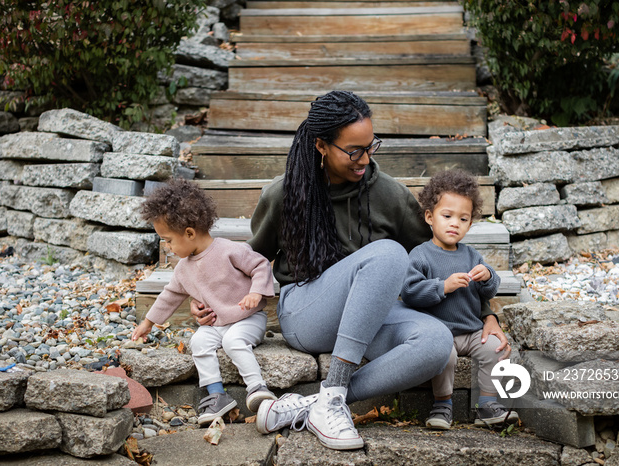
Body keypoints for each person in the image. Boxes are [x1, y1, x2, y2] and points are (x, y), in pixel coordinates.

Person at [192, 90, 510, 450]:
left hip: (372, 316)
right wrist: (207, 298)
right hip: (308, 312)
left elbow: (441, 255)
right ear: (321, 146)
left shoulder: (389, 195)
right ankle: (331, 401)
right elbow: (250, 259)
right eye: (353, 150)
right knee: (389, 254)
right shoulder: (286, 194)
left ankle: (321, 402)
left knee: (436, 343)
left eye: (370, 146)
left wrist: (487, 312)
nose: (364, 159)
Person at [131, 180, 277, 426]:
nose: (166, 247)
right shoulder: (183, 269)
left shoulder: (229, 250)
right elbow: (169, 295)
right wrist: (148, 322)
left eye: (168, 240)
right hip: (217, 324)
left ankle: (256, 387)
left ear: (189, 233)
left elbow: (261, 265)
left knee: (233, 341)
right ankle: (217, 394)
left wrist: (256, 292)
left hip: (248, 319)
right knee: (198, 340)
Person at [400, 169, 518, 430]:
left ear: (470, 224)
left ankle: (486, 405)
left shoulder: (471, 255)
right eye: (447, 216)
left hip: (474, 330)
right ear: (430, 217)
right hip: (441, 331)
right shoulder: (420, 255)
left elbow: (488, 291)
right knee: (445, 355)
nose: (455, 223)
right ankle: (443, 404)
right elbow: (409, 292)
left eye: (463, 219)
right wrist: (443, 286)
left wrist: (488, 275)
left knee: (494, 349)